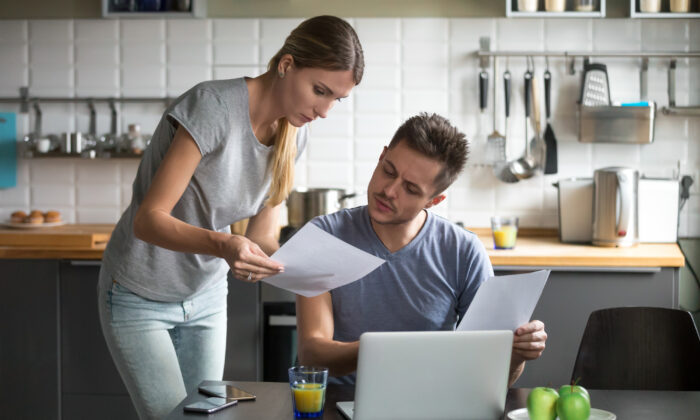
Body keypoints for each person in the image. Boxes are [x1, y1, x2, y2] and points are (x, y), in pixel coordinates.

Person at [97, 16, 364, 419]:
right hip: (139, 294)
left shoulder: (295, 132)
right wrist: (224, 244)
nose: (324, 110)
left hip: (204, 296)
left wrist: (315, 268)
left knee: (207, 418)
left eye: (336, 99)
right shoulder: (213, 107)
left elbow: (262, 235)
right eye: (320, 91)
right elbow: (148, 220)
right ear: (287, 64)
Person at [296, 113, 547, 387]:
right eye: (388, 171)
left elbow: (490, 376)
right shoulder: (325, 236)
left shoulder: (464, 251)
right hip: (336, 403)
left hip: (431, 403)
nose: (389, 191)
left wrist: (516, 353)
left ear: (434, 200)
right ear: (381, 157)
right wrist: (394, 350)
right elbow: (312, 354)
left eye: (411, 189)